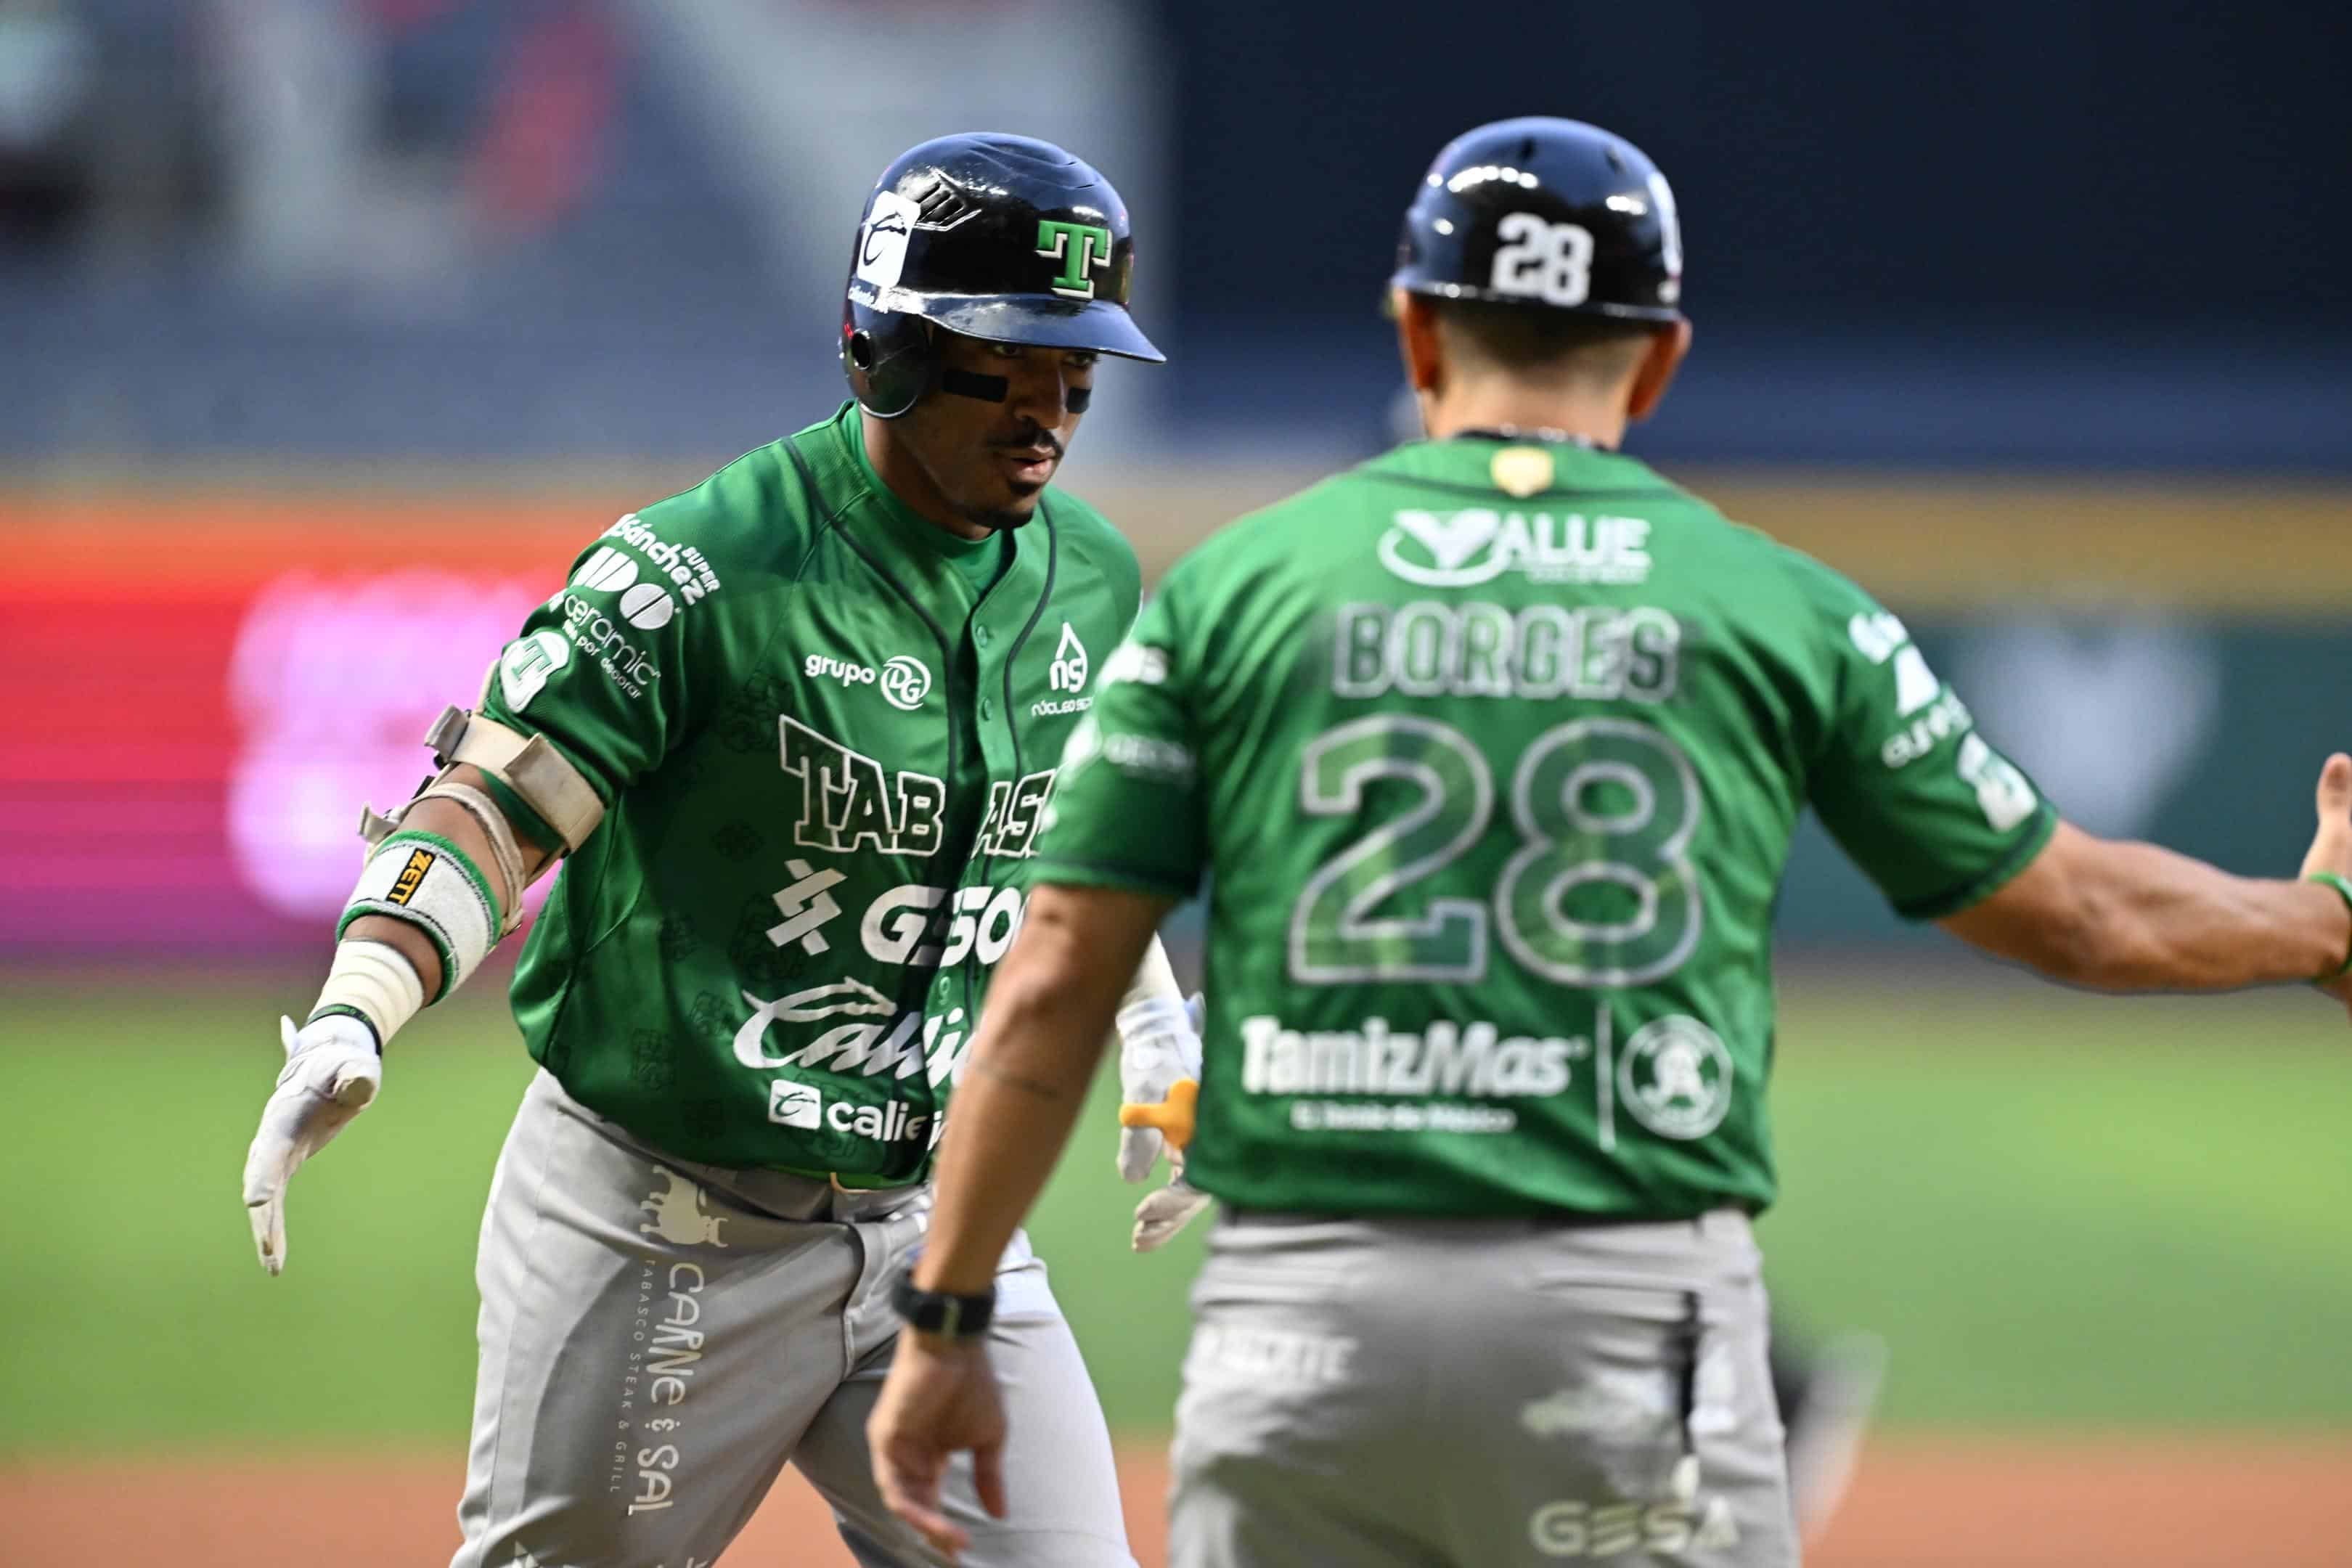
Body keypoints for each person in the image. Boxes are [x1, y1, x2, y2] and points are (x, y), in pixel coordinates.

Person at [863, 115, 2352, 1567]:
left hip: (1299, 1334)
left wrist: (945, 1318)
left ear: (1416, 333)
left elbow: (1051, 983)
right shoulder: (1774, 600)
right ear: (1660, 359)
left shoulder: (1233, 590)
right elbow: (2079, 913)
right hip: (1628, 1330)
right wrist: (2328, 918)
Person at [239, 131, 1202, 1568]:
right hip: (663, 1223)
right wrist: (358, 1005)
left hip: (941, 1219)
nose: (1047, 414)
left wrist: (1157, 1028)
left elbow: (1064, 836)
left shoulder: (1091, 576)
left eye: (1077, 372)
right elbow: (495, 806)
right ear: (884, 349)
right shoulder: (702, 569)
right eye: (1006, 365)